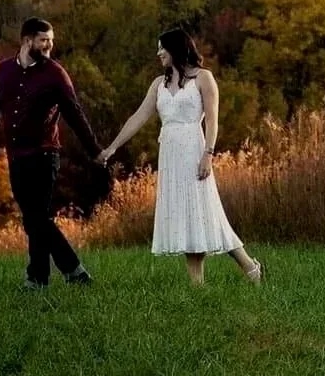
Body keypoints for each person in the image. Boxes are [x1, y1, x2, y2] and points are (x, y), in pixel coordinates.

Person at [99, 26, 262, 287]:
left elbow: (212, 120)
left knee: (206, 212)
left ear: (176, 48)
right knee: (187, 215)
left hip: (194, 151)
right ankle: (198, 284)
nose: (158, 53)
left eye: (162, 47)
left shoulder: (204, 78)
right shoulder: (158, 84)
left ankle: (250, 268)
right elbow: (138, 117)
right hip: (171, 155)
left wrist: (208, 154)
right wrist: (112, 147)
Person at [0, 17, 105, 292]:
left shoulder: (55, 74)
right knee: (34, 217)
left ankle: (54, 274)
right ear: (27, 40)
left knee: (36, 216)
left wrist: (95, 150)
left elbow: (75, 114)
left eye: (51, 41)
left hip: (45, 155)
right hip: (16, 156)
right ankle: (45, 278)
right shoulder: (3, 72)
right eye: (44, 40)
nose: (49, 46)